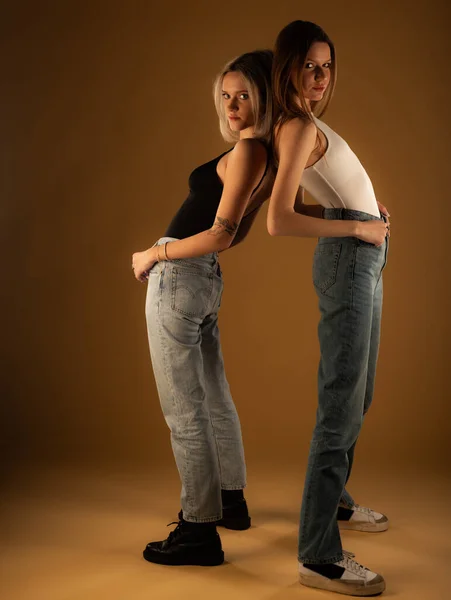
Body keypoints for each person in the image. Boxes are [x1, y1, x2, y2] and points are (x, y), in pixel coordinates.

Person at [131, 49, 273, 567]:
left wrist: (155, 253)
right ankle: (229, 502)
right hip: (203, 280)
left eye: (244, 96)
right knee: (214, 395)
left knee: (184, 408)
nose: (233, 105)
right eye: (227, 96)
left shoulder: (251, 149)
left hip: (180, 277)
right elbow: (244, 226)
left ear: (266, 97)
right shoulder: (266, 152)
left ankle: (198, 529)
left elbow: (220, 232)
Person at [268, 20, 390, 595]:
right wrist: (353, 228)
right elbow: (279, 218)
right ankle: (318, 554)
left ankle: (335, 501)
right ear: (288, 65)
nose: (319, 78)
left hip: (363, 250)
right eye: (309, 66)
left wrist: (361, 208)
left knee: (357, 392)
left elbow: (307, 193)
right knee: (341, 400)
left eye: (327, 67)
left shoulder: (304, 123)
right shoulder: (294, 126)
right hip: (352, 258)